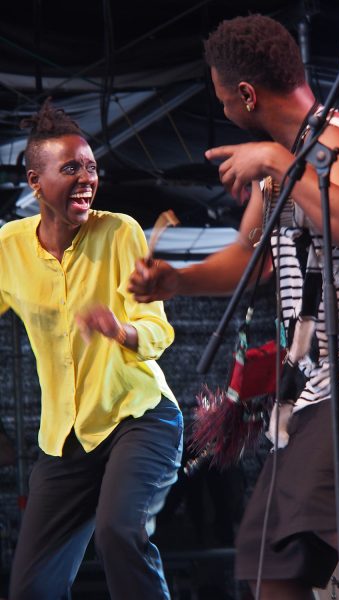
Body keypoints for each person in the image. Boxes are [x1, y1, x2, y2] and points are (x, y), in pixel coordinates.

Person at [129, 14, 339, 600]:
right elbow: (253, 259)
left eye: (222, 96)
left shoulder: (332, 140)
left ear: (246, 95)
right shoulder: (288, 158)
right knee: (266, 555)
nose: (223, 106)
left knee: (332, 502)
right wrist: (172, 283)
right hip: (324, 383)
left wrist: (277, 163)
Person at [0, 98, 183, 600]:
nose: (86, 177)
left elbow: (157, 330)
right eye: (70, 168)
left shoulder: (119, 231)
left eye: (91, 167)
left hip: (139, 418)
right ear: (36, 182)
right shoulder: (8, 246)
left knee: (118, 533)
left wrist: (120, 329)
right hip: (66, 440)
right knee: (30, 589)